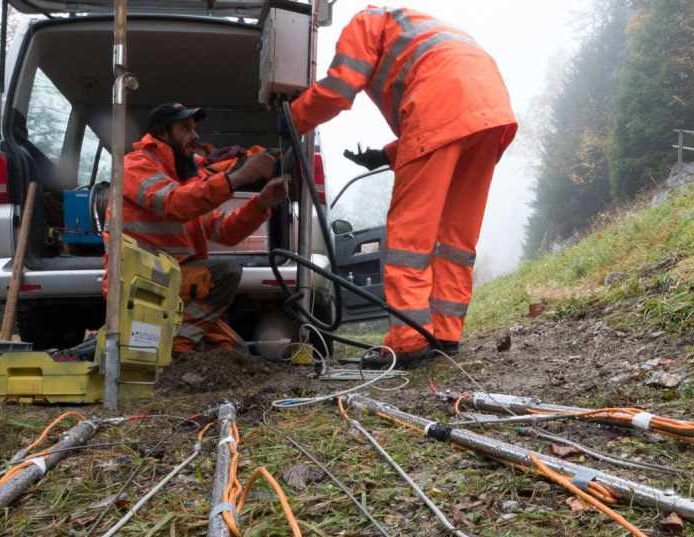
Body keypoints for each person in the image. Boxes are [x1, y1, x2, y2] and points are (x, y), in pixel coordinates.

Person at [287, 6, 517, 368]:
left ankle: (409, 342)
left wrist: (291, 118)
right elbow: (449, 111)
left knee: (409, 241)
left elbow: (338, 89)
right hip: (491, 113)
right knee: (455, 240)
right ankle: (445, 334)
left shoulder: (366, 22)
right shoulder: (416, 27)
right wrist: (385, 154)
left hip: (443, 109)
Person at [111, 103, 288, 352]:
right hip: (140, 280)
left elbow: (225, 232)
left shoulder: (183, 180)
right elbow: (175, 204)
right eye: (185, 128)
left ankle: (174, 345)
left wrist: (261, 204)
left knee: (234, 351)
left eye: (194, 129)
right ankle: (174, 348)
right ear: (163, 133)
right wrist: (237, 177)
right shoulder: (134, 166)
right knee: (225, 272)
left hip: (172, 280)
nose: (195, 136)